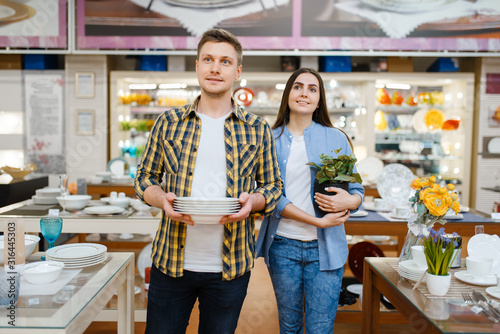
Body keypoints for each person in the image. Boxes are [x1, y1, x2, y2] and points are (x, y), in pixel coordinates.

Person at [134, 28, 282, 334]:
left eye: (225, 62)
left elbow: (273, 186)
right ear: (197, 65)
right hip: (171, 262)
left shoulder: (257, 128)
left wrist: (252, 202)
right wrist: (161, 199)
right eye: (208, 59)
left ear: (238, 71)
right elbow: (144, 178)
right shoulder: (169, 122)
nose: (215, 68)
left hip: (231, 268)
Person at [256, 68, 364, 334]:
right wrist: (317, 220)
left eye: (312, 89)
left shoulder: (336, 138)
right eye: (298, 87)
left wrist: (348, 201)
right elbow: (271, 197)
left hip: (325, 250)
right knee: (289, 326)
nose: (304, 93)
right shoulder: (270, 139)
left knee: (320, 328)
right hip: (282, 247)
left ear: (319, 100)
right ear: (288, 94)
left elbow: (357, 190)